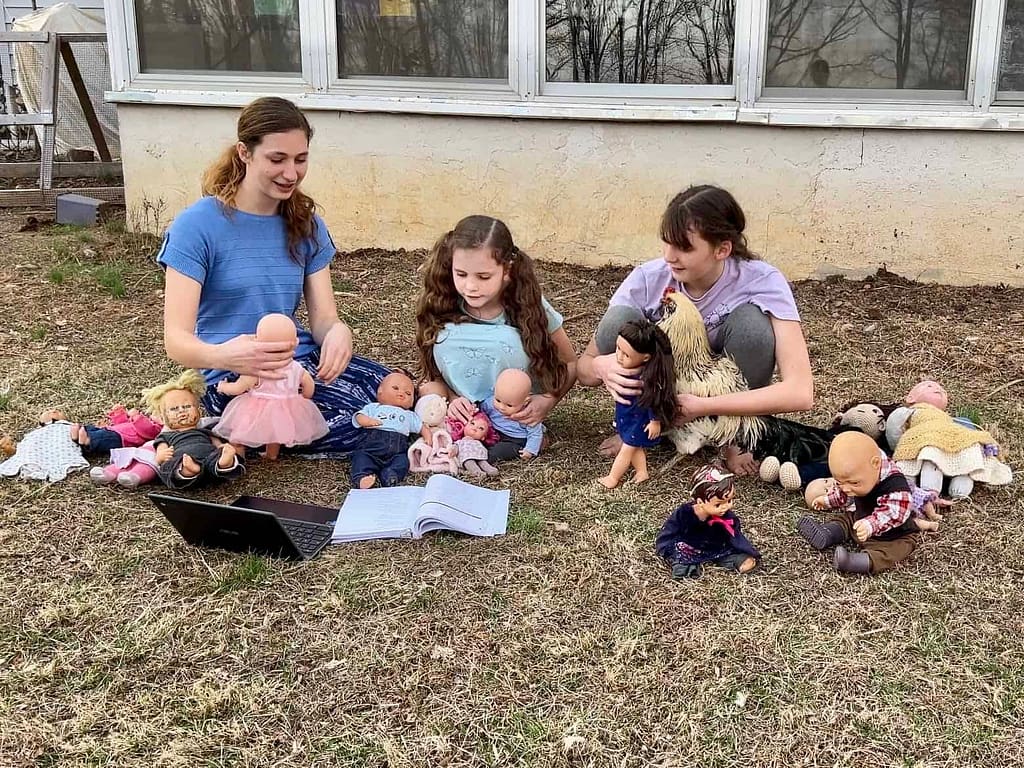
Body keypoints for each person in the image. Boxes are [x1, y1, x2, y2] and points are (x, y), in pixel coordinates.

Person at [156, 96, 388, 456]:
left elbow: (325, 320)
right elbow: (177, 342)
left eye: (301, 159)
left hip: (296, 364)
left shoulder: (305, 224)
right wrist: (226, 356)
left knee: (397, 393)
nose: (291, 173)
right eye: (277, 159)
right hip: (235, 378)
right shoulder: (196, 227)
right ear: (244, 154)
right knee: (367, 423)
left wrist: (339, 332)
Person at [577, 185, 813, 475]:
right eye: (666, 243)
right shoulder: (647, 280)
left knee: (752, 328)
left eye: (684, 247)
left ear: (722, 249)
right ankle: (636, 429)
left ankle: (734, 437)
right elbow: (583, 369)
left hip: (717, 399)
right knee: (620, 321)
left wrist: (703, 406)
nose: (669, 256)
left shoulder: (761, 280)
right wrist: (602, 366)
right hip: (663, 393)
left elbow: (801, 391)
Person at [414, 214, 578, 429]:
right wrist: (453, 399)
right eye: (461, 274)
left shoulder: (529, 304)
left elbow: (570, 363)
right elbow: (435, 372)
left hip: (514, 415)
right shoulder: (441, 300)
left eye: (483, 277)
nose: (470, 286)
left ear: (507, 271)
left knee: (507, 339)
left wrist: (547, 401)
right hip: (463, 415)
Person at [797, 431, 922, 575]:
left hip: (892, 535)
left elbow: (893, 513)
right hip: (860, 518)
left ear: (875, 463)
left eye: (854, 483)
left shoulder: (896, 488)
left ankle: (855, 561)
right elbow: (842, 491)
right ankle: (827, 533)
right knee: (846, 519)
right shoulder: (860, 473)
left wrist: (871, 525)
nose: (846, 488)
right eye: (839, 482)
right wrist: (827, 501)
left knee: (895, 550)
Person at [598, 319, 677, 489]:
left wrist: (655, 420)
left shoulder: (649, 379)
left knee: (626, 449)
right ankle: (642, 472)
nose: (619, 356)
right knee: (635, 447)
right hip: (627, 415)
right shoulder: (627, 371)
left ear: (646, 357)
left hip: (639, 420)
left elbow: (655, 400)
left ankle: (613, 477)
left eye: (626, 355)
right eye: (618, 349)